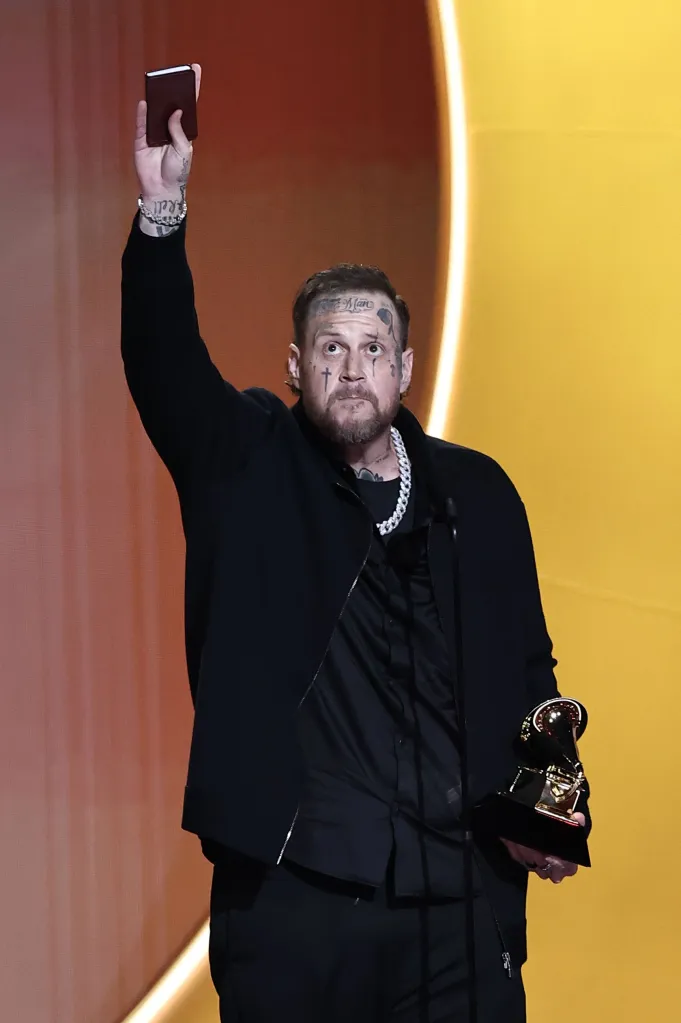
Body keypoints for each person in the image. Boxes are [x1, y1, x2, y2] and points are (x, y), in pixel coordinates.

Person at [121, 65, 590, 1023]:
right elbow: (163, 364)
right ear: (293, 366)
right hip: (296, 908)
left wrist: (546, 809)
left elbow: (529, 672)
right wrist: (161, 209)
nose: (350, 368)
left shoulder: (477, 492)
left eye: (371, 349)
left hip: (458, 904)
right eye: (327, 349)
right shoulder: (247, 466)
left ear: (405, 368)